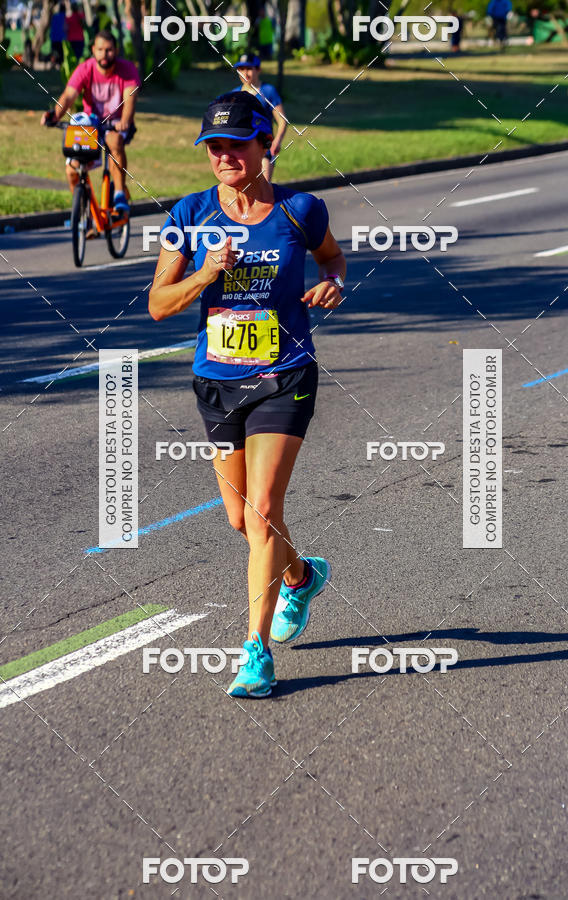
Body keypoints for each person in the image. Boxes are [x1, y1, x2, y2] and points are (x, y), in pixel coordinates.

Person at [148, 91, 346, 698]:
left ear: (265, 145)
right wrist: (208, 272)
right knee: (242, 519)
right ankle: (301, 575)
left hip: (285, 374)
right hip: (217, 380)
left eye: (236, 145)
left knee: (261, 509)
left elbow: (332, 259)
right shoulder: (189, 214)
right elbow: (158, 304)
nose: (224, 156)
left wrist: (333, 283)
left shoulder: (300, 210)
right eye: (214, 147)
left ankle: (255, 653)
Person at [40, 30, 140, 213]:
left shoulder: (127, 70)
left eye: (109, 50)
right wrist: (54, 115)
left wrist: (125, 120)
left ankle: (119, 193)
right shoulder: (85, 69)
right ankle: (83, 215)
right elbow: (68, 96)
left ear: (116, 51)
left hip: (115, 124)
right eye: (100, 50)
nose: (104, 54)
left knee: (114, 142)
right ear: (93, 50)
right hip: (91, 125)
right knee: (72, 170)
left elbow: (130, 100)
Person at [232, 52, 287, 182]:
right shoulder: (234, 94)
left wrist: (277, 141)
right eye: (241, 69)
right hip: (242, 149)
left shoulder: (268, 91)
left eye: (249, 69)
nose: (245, 73)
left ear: (258, 70)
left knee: (263, 186)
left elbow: (282, 121)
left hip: (264, 148)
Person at [50, 3, 66, 68]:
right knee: (61, 52)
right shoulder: (65, 17)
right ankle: (60, 65)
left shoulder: (54, 17)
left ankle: (53, 64)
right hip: (61, 38)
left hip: (54, 37)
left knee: (54, 52)